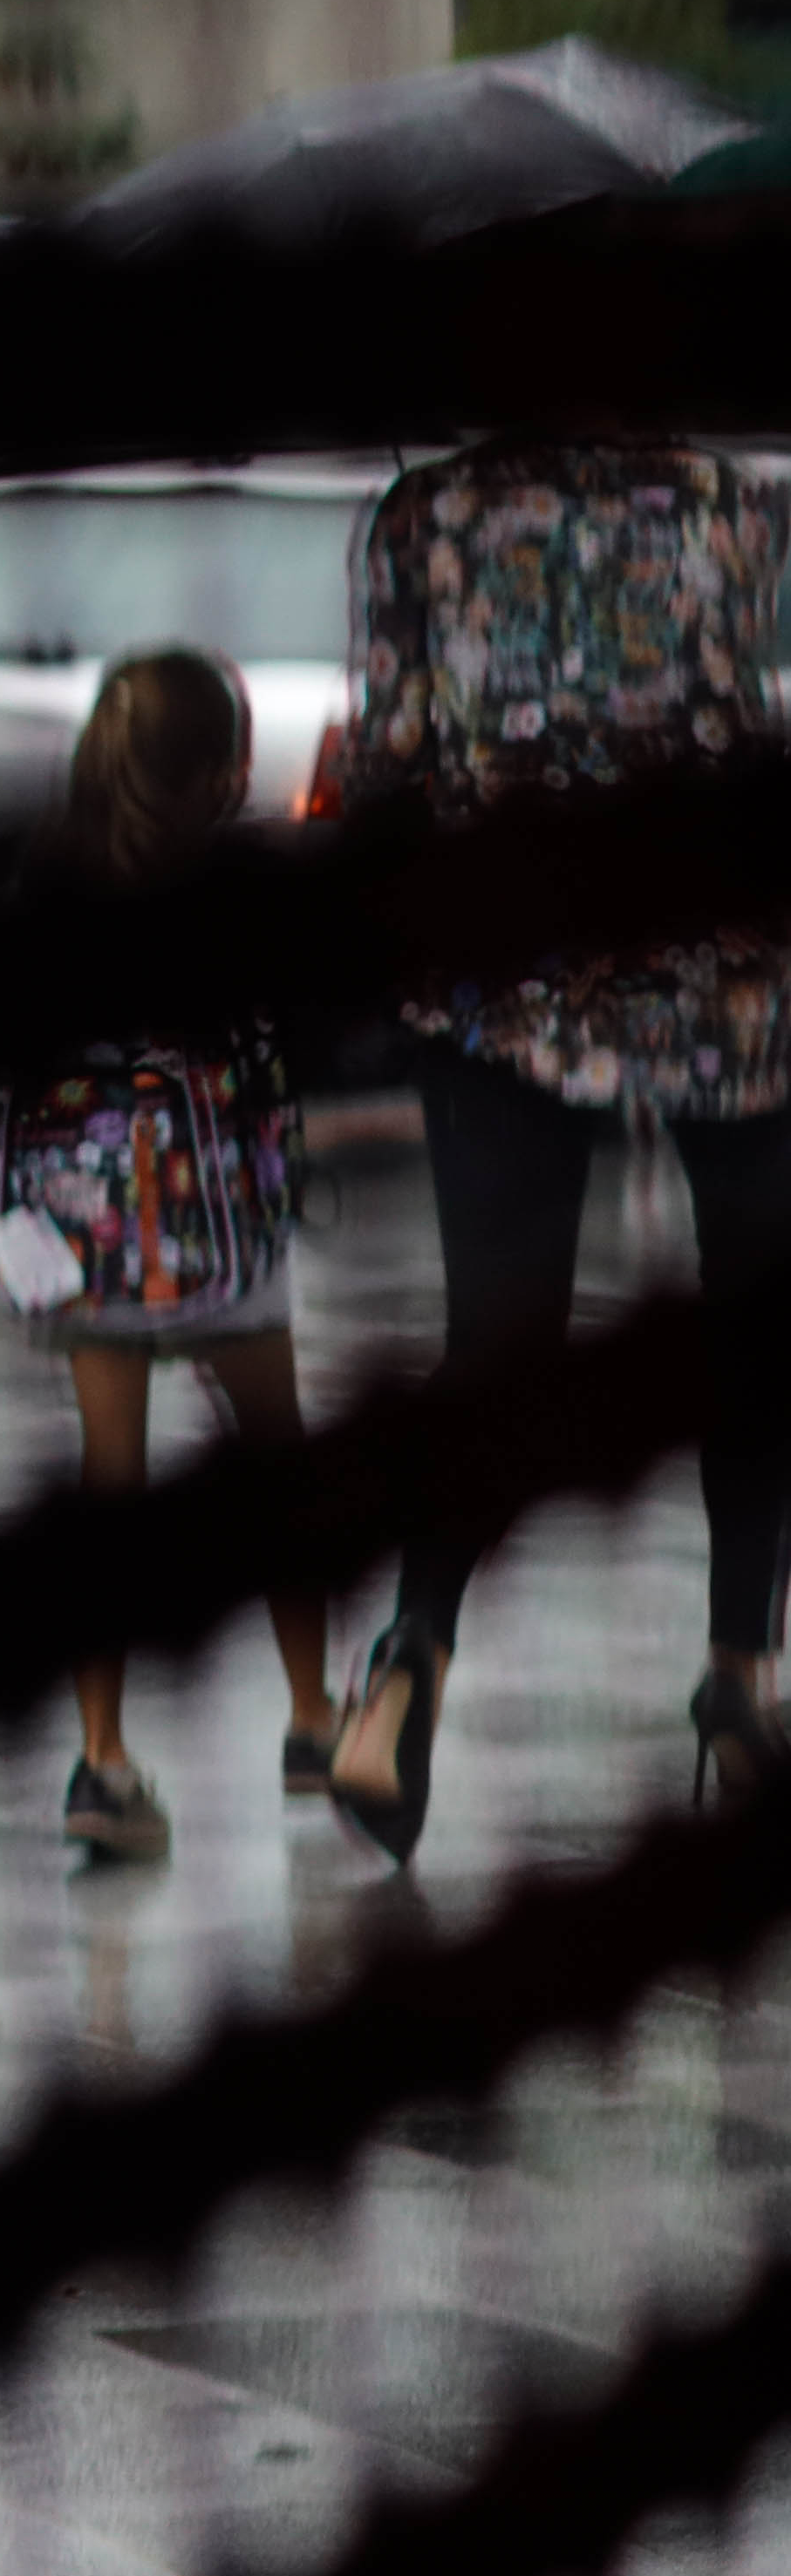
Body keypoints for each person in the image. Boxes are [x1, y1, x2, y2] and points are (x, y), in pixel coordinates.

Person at [328, 435, 791, 1862]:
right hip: (725, 980)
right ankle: (739, 1679)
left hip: (505, 977)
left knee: (497, 1341)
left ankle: (412, 1653)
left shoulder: (424, 516)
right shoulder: (732, 508)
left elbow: (392, 764)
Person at [0, 649, 336, 1860]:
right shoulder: (237, 882)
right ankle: (314, 1721)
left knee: (111, 1490)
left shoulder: (35, 873)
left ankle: (102, 1761)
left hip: (82, 1242)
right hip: (222, 1231)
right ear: (216, 770)